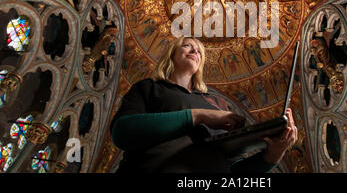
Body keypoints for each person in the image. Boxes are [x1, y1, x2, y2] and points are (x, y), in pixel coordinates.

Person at [110, 36, 298, 173]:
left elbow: (234, 171)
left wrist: (272, 155)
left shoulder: (217, 105)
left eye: (199, 51)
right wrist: (197, 116)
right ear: (171, 55)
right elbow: (122, 132)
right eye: (187, 46)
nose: (195, 52)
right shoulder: (149, 88)